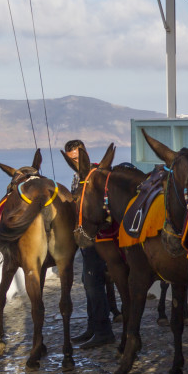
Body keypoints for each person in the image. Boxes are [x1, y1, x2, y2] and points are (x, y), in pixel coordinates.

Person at [64, 139, 115, 350]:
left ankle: (104, 331)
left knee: (94, 284)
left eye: (76, 158)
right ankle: (92, 327)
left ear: (83, 154)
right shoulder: (78, 177)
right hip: (86, 239)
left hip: (97, 238)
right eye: (71, 160)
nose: (74, 163)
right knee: (88, 282)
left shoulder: (95, 175)